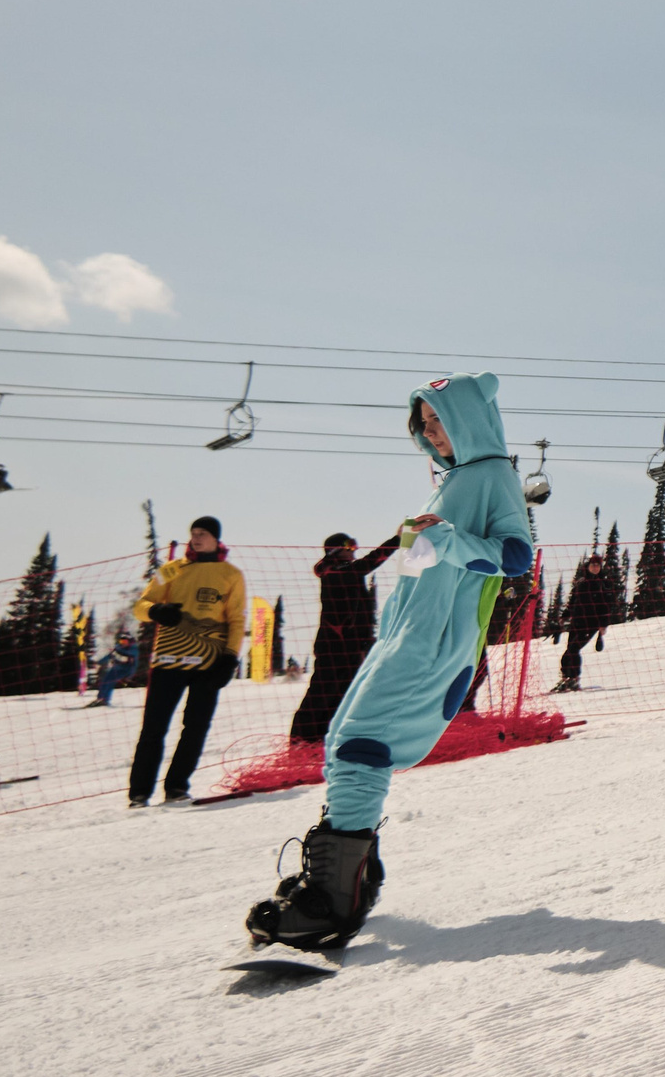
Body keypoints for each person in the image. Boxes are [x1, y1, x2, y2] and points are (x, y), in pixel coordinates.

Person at [243, 374, 534, 952]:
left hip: (433, 642)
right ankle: (349, 873)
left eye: (440, 421)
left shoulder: (492, 473)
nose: (431, 433)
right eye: (423, 424)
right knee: (343, 743)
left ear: (470, 420)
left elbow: (515, 556)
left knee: (361, 745)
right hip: (404, 636)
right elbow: (420, 569)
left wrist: (445, 538)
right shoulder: (453, 481)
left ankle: (333, 902)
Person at [126, 517, 248, 807]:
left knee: (195, 728)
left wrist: (229, 658)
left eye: (202, 534)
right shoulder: (171, 570)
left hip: (209, 663)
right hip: (168, 660)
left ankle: (177, 787)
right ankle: (139, 793)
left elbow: (236, 618)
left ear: (216, 539)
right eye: (193, 533)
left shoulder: (231, 574)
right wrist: (156, 611)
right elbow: (139, 606)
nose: (195, 538)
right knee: (153, 727)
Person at [287, 532, 399, 741]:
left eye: (354, 547)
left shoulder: (348, 572)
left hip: (354, 646)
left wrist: (367, 640)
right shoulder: (334, 572)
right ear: (336, 550)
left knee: (344, 695)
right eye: (349, 547)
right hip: (333, 647)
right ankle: (300, 741)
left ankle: (324, 738)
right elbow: (369, 563)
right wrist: (400, 539)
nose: (354, 551)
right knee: (321, 694)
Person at [553, 551, 612, 692]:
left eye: (598, 565)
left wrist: (603, 624)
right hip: (576, 622)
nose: (595, 567)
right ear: (588, 566)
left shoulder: (603, 584)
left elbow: (606, 606)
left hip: (591, 624)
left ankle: (574, 679)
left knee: (574, 649)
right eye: (593, 565)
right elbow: (573, 601)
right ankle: (566, 678)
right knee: (569, 651)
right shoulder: (581, 582)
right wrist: (565, 616)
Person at [84, 630, 140, 709]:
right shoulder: (118, 647)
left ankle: (105, 699)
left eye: (125, 641)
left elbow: (135, 664)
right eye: (121, 641)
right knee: (104, 681)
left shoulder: (133, 650)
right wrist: (99, 662)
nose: (123, 642)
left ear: (129, 641)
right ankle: (100, 698)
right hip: (115, 668)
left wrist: (130, 675)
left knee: (110, 682)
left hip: (125, 669)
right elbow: (109, 656)